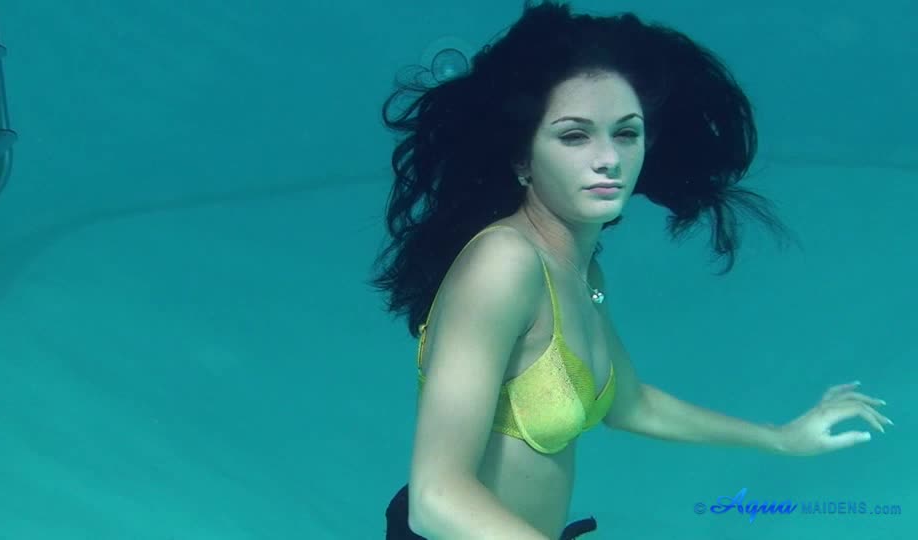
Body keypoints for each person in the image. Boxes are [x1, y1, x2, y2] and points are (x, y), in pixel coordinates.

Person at [368, 2, 893, 539]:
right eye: (575, 136)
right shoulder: (503, 264)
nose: (609, 159)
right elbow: (434, 498)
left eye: (625, 133)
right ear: (522, 158)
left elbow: (630, 405)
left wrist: (781, 437)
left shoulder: (580, 270)